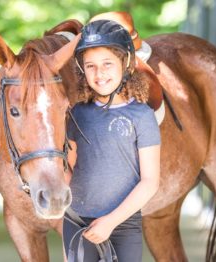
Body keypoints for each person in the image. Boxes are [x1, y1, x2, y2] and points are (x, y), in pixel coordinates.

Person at [64, 19, 161, 262]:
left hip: (123, 225)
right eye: (91, 66)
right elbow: (69, 168)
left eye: (107, 64)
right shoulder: (76, 114)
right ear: (82, 69)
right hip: (77, 223)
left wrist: (110, 222)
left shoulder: (142, 115)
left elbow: (150, 182)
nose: (99, 73)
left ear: (125, 63)